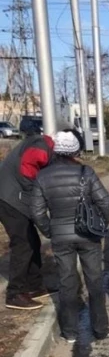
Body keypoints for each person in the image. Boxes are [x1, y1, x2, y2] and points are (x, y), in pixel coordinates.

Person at [31, 129, 109, 344]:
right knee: (94, 281)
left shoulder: (42, 176)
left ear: (55, 151)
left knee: (67, 282)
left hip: (61, 236)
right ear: (76, 151)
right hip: (88, 235)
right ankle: (101, 329)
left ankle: (70, 332)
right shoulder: (86, 173)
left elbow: (37, 212)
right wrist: (101, 224)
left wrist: (49, 231)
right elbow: (105, 201)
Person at [0, 124, 55, 310]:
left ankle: (34, 286)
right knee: (23, 243)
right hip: (8, 199)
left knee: (33, 241)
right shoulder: (41, 150)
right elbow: (29, 181)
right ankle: (15, 294)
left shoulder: (44, 147)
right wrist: (45, 219)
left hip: (16, 196)